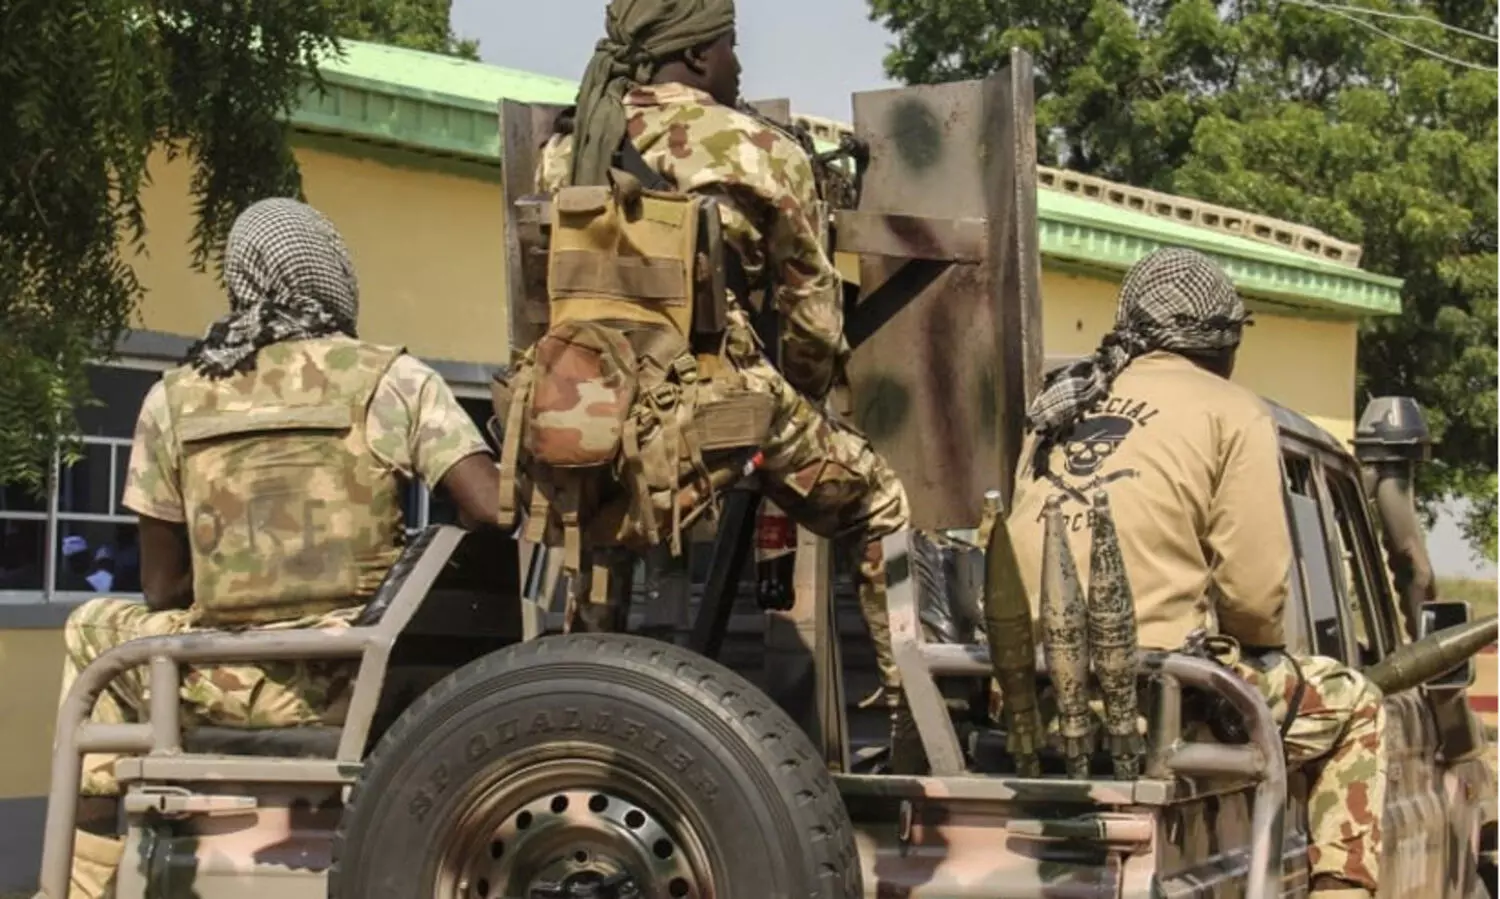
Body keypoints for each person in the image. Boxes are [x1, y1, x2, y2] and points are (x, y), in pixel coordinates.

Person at [59, 197, 502, 899]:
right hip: (358, 684)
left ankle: (78, 881)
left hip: (214, 686)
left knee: (91, 631)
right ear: (331, 275)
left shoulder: (174, 397)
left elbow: (162, 589)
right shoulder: (392, 378)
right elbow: (489, 506)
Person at [527, 0, 915, 767]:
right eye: (732, 47)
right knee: (880, 503)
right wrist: (798, 399)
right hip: (719, 412)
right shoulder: (758, 149)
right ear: (700, 57)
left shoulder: (566, 151)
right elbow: (813, 322)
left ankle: (575, 726)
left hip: (591, 412)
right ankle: (908, 723)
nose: (740, 65)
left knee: (596, 534)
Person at [1006, 247, 1386, 899]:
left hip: (1029, 696)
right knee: (1359, 707)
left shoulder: (1059, 405)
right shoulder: (1232, 411)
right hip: (1162, 699)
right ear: (1227, 342)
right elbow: (1257, 601)